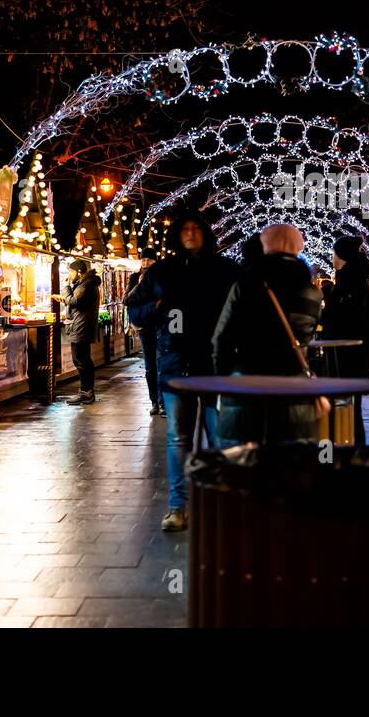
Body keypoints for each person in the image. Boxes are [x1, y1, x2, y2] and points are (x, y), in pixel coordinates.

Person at [125, 212, 239, 532]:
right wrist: (155, 310)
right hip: (176, 365)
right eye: (184, 229)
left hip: (216, 365)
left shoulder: (225, 270)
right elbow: (132, 306)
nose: (190, 233)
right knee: (178, 437)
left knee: (220, 436)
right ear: (177, 235)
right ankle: (178, 506)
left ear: (205, 232)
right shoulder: (163, 272)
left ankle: (223, 501)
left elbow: (245, 307)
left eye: (196, 228)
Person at [212, 224, 325, 445]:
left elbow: (222, 337)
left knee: (244, 465)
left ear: (265, 246)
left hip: (247, 383)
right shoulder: (313, 292)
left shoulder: (246, 284)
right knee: (291, 463)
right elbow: (307, 335)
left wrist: (223, 377)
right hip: (294, 386)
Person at [320, 235, 369, 442]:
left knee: (346, 405)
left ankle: (348, 452)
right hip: (358, 352)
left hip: (348, 353)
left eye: (333, 253)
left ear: (341, 255)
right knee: (352, 405)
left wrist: (328, 295)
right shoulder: (358, 279)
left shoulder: (350, 282)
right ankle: (353, 449)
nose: (332, 258)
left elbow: (338, 317)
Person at [57, 259, 101, 405]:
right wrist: (66, 299)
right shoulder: (85, 284)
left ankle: (86, 392)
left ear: (79, 272)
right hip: (81, 326)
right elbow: (76, 303)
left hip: (81, 327)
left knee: (81, 361)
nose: (69, 274)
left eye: (71, 271)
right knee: (82, 360)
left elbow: (75, 302)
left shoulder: (86, 285)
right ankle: (86, 392)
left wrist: (65, 288)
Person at [126, 248, 162, 415]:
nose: (146, 263)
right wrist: (139, 286)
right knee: (150, 367)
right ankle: (154, 401)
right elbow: (126, 300)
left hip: (162, 326)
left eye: (150, 259)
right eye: (143, 259)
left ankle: (163, 402)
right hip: (144, 327)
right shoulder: (134, 278)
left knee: (162, 363)